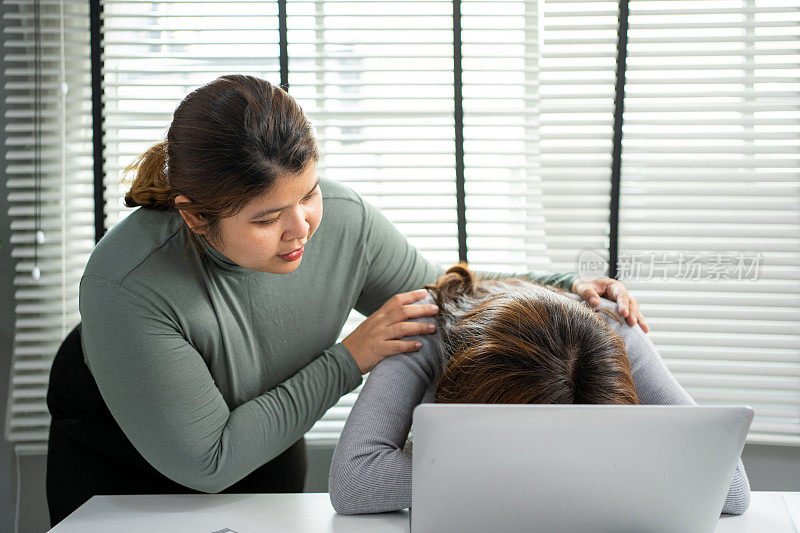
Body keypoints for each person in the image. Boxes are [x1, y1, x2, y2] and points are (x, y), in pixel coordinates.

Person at [45, 74, 648, 526]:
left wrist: (564, 287)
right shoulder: (126, 286)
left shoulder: (344, 221)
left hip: (267, 439)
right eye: (268, 218)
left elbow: (437, 293)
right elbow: (209, 461)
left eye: (308, 195)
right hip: (129, 474)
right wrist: (348, 359)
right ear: (196, 218)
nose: (301, 228)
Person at [328, 265, 751, 516]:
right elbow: (352, 481)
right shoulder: (426, 327)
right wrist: (587, 470)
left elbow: (731, 488)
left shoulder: (612, 327)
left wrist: (518, 469)